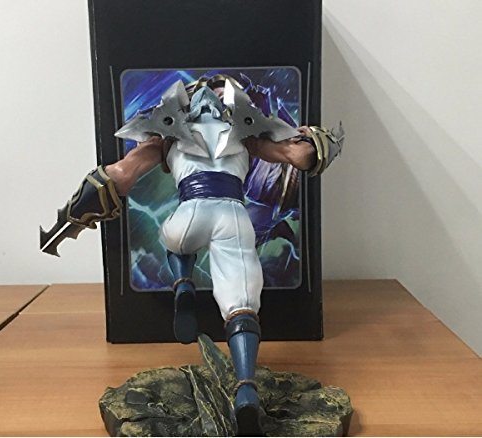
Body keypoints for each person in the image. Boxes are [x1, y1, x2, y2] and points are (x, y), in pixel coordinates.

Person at [41, 74, 342, 435]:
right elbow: (301, 157)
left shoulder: (168, 135)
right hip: (233, 217)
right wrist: (314, 140)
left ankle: (183, 283)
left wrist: (71, 220)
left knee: (174, 240)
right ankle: (246, 390)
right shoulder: (245, 134)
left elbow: (120, 174)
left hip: (190, 214)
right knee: (242, 305)